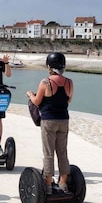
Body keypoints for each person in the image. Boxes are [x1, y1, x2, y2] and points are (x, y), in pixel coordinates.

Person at [26, 52, 73, 194]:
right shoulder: (69, 82)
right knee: (62, 152)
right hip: (64, 120)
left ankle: (47, 184)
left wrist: (30, 94)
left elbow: (37, 102)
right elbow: (68, 100)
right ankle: (63, 182)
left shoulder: (45, 82)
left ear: (49, 66)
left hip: (49, 121)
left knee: (48, 153)